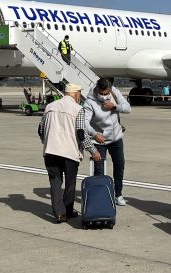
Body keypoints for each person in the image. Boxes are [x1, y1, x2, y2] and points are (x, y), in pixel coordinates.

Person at [38, 83, 96, 223]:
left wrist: (47, 142)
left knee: (55, 182)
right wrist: (92, 150)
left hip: (51, 151)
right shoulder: (78, 109)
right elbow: (81, 133)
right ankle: (68, 211)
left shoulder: (50, 107)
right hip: (69, 153)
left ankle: (59, 213)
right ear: (76, 94)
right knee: (70, 183)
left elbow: (40, 129)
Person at [84, 78, 131, 205]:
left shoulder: (114, 93)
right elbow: (84, 122)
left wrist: (114, 106)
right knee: (99, 169)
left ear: (110, 89)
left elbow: (128, 108)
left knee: (119, 166)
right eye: (102, 94)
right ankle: (100, 196)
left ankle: (118, 194)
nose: (104, 97)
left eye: (106, 94)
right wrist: (94, 133)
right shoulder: (89, 101)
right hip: (99, 140)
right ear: (97, 89)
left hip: (116, 138)